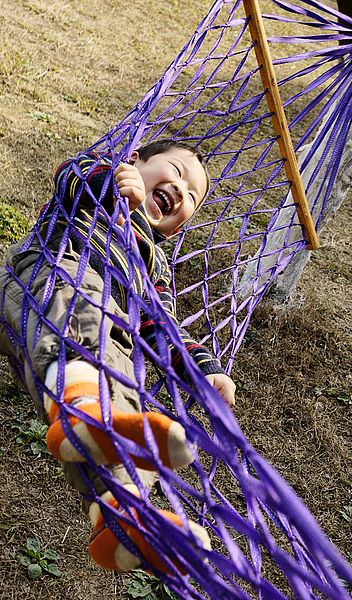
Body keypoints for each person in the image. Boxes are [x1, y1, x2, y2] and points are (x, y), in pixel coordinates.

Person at [0, 139, 236, 572]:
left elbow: (162, 326)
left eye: (193, 198)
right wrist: (111, 179)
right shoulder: (100, 185)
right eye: (177, 173)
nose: (181, 193)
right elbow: (69, 173)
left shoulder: (156, 266)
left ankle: (125, 516)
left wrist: (204, 371)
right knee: (85, 306)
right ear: (134, 161)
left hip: (105, 341)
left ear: (178, 228)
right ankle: (84, 412)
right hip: (50, 276)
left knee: (128, 405)